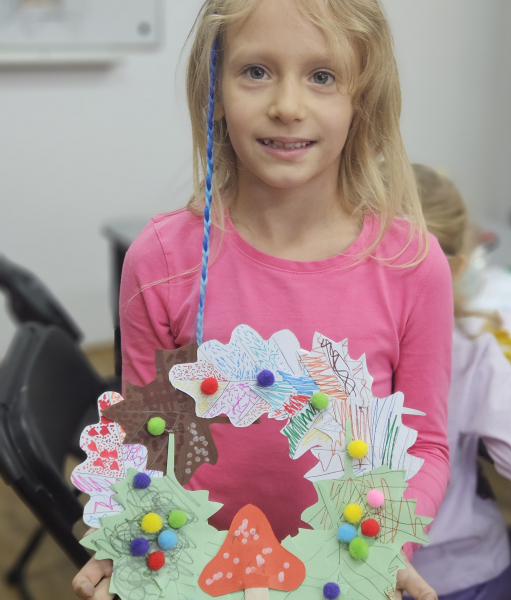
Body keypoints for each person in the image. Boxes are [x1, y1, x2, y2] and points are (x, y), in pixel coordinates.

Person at [73, 2, 454, 598]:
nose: (288, 105)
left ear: (362, 97)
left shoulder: (412, 267)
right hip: (197, 580)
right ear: (215, 90)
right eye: (256, 71)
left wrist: (384, 546)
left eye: (322, 76)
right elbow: (145, 437)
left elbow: (425, 446)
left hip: (341, 579)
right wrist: (125, 534)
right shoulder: (162, 261)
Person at [407, 164, 511, 600]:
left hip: (351, 571)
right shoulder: (470, 349)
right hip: (453, 576)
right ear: (459, 266)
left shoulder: (330, 345)